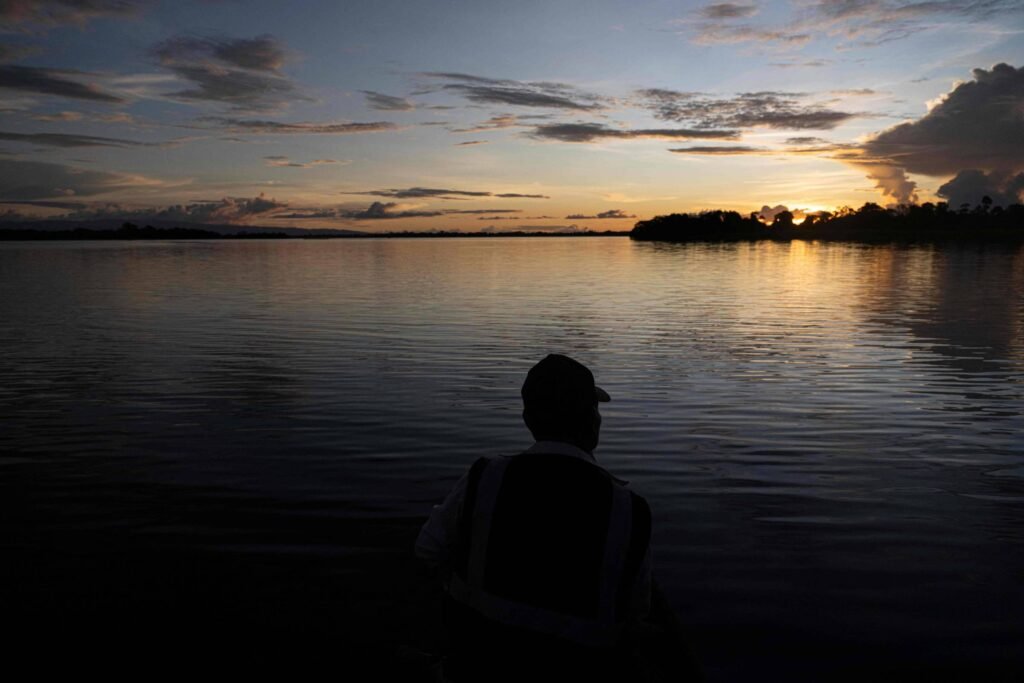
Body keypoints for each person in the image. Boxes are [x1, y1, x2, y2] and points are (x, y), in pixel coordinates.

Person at [415, 354, 655, 682]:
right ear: (591, 420)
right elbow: (636, 616)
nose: (599, 418)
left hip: (477, 665)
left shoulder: (485, 477)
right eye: (595, 408)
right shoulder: (630, 509)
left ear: (528, 418)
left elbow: (427, 551)